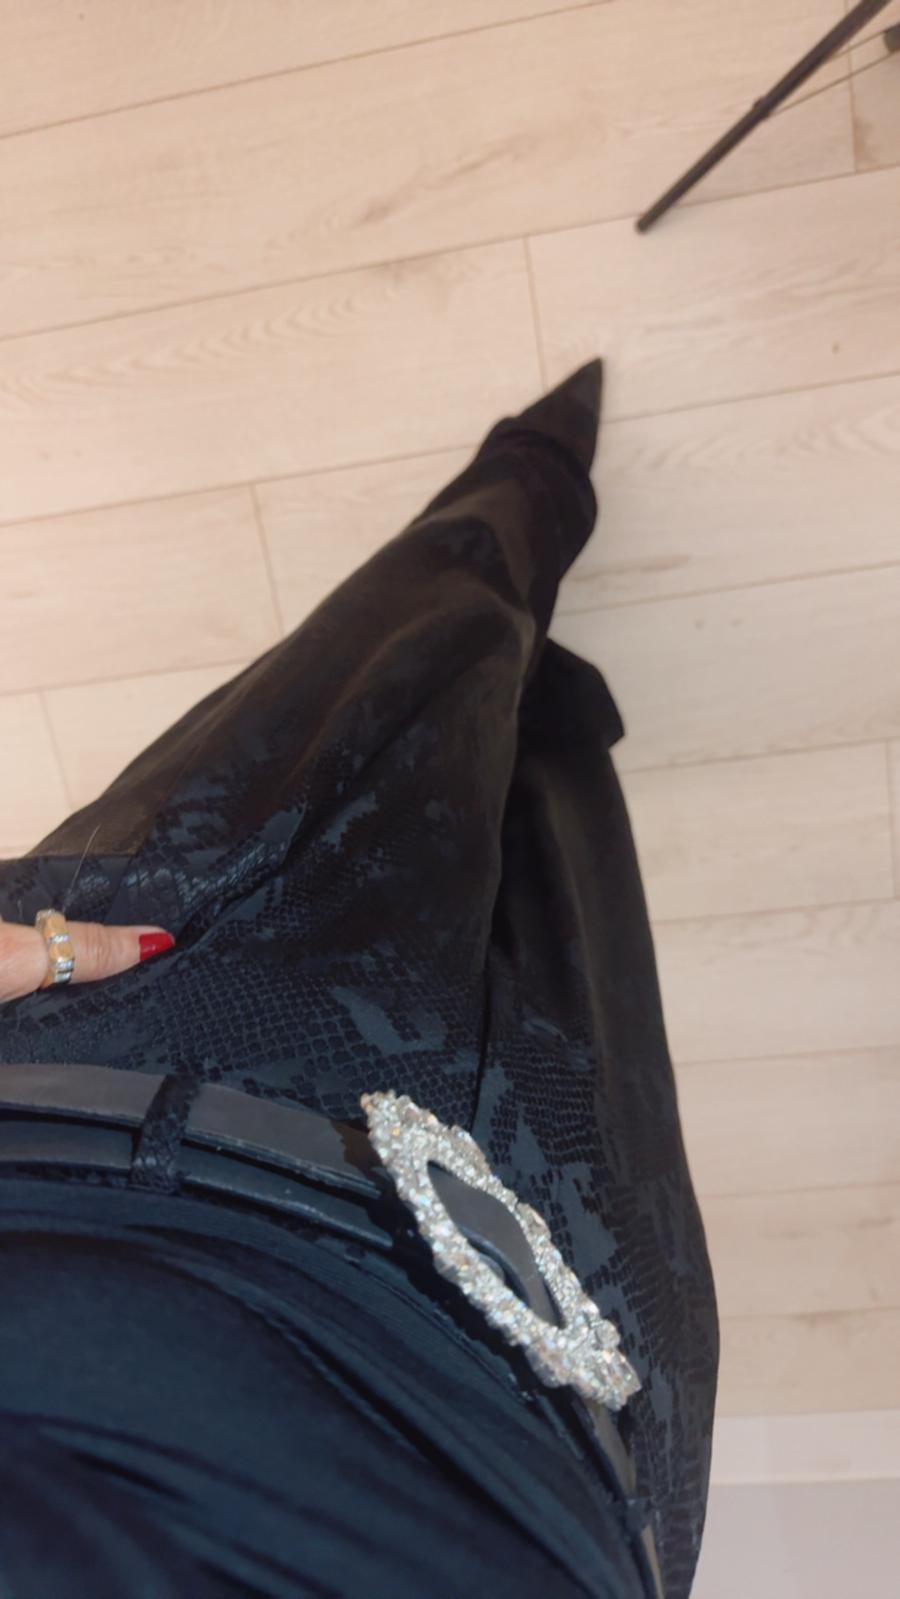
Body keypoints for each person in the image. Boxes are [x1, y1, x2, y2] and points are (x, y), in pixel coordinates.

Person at [0, 361, 718, 1599]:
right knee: (559, 841)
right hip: (575, 1401)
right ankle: (543, 662)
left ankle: (532, 477)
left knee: (413, 656)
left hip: (128, 1061)